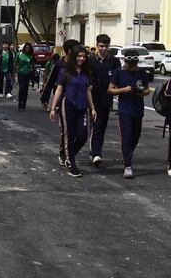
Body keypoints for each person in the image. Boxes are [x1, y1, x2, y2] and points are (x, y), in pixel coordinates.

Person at [49, 45, 97, 178]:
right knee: (69, 136)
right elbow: (59, 90)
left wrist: (92, 108)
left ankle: (67, 154)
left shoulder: (86, 72)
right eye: (79, 56)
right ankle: (71, 164)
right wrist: (53, 108)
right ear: (74, 57)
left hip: (83, 107)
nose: (81, 59)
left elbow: (88, 91)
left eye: (84, 56)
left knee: (82, 137)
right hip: (68, 105)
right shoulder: (65, 72)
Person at [107, 48, 150, 179]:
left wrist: (142, 92)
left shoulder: (142, 73)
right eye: (130, 65)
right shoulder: (118, 72)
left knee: (135, 138)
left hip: (138, 109)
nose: (132, 67)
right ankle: (128, 165)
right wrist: (123, 90)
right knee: (126, 137)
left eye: (135, 64)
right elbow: (110, 90)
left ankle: (127, 155)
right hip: (125, 109)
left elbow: (148, 90)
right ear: (126, 61)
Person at [88, 34, 121, 167]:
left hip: (107, 100)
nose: (103, 49)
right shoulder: (90, 60)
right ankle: (96, 153)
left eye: (106, 46)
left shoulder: (114, 61)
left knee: (102, 127)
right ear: (97, 46)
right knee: (96, 125)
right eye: (101, 46)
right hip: (93, 99)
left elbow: (118, 79)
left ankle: (95, 152)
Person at [15, 42, 34, 110]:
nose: (27, 49)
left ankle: (24, 103)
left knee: (26, 90)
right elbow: (15, 63)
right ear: (24, 48)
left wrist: (31, 69)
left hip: (27, 74)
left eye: (28, 48)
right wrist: (14, 73)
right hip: (20, 74)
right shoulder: (19, 54)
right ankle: (20, 103)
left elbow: (32, 65)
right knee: (22, 88)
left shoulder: (30, 56)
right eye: (26, 48)